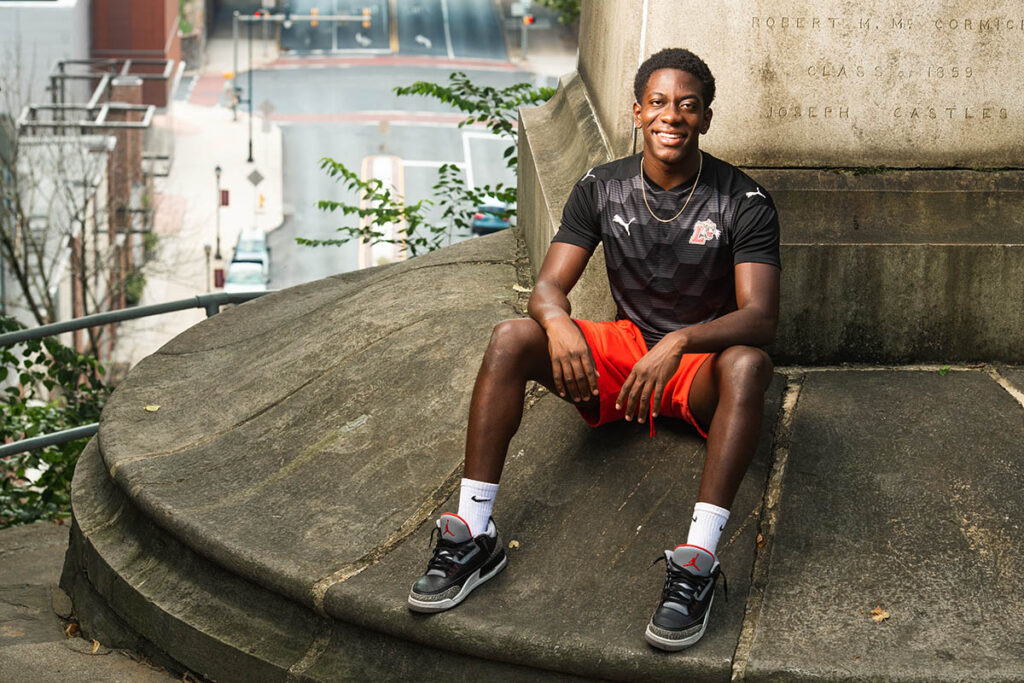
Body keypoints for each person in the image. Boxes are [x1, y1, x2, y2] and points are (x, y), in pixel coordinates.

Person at [408, 47, 781, 652]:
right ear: (637, 112)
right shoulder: (602, 187)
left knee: (749, 365)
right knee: (512, 337)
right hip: (627, 351)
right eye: (659, 103)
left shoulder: (743, 200)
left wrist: (682, 339)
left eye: (688, 106)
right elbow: (549, 288)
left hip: (697, 366)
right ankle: (473, 534)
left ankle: (697, 563)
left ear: (706, 118)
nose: (672, 116)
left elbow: (759, 317)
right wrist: (558, 325)